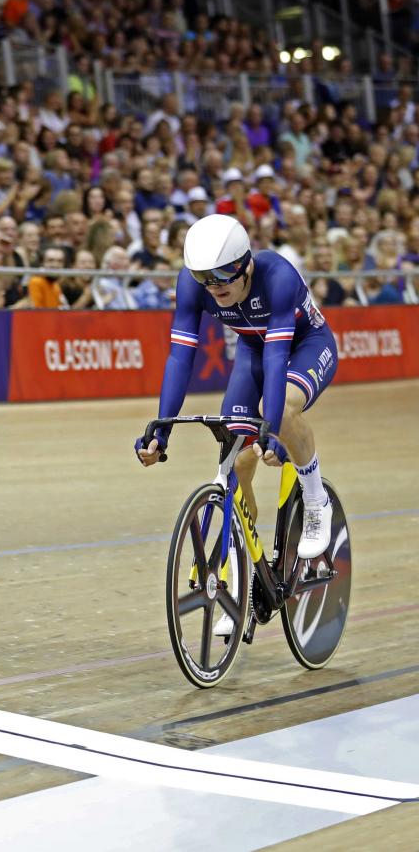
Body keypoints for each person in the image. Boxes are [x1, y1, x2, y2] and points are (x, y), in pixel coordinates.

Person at [137, 215, 339, 633]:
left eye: (224, 274)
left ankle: (316, 499)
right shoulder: (193, 286)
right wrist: (162, 427)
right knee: (236, 456)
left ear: (246, 263)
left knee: (278, 411)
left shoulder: (277, 276)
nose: (215, 286)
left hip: (304, 346)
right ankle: (241, 571)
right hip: (253, 350)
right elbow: (180, 357)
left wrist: (273, 428)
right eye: (204, 278)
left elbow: (277, 359)